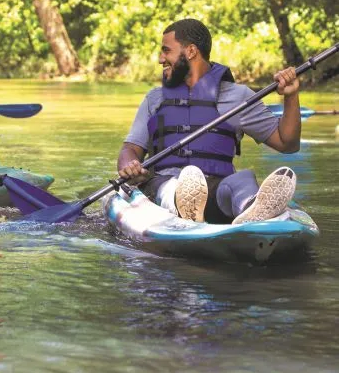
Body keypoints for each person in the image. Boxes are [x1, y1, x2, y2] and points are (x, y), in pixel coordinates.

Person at [117, 19, 301, 224]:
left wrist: (291, 97)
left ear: (191, 51)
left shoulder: (238, 97)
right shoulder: (155, 99)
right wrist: (129, 166)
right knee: (171, 189)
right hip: (161, 193)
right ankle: (183, 205)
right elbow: (130, 149)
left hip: (214, 193)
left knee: (241, 180)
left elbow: (288, 143)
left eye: (166, 51)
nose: (161, 59)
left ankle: (251, 208)